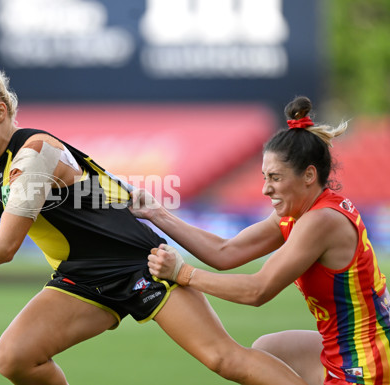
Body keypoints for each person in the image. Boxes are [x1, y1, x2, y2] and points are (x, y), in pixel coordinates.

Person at [0, 32, 309, 385]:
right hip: (80, 276)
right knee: (15, 358)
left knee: (224, 360)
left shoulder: (36, 153)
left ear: (0, 110)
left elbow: (4, 248)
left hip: (139, 262)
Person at [130, 96, 390, 385]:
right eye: (264, 177)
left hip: (368, 364)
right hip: (350, 346)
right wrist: (158, 214)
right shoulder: (298, 213)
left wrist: (183, 273)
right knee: (267, 351)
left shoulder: (321, 221)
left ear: (309, 175)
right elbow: (225, 252)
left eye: (275, 178)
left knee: (252, 365)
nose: (266, 189)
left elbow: (258, 291)